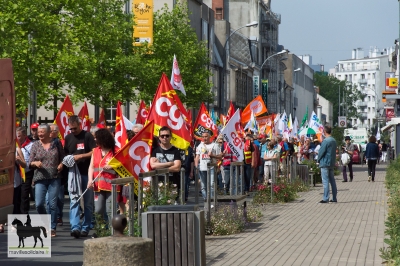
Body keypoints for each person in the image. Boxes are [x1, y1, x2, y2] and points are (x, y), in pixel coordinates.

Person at [64, 115, 96, 238]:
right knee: (74, 200)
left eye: (75, 128)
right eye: (71, 129)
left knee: (87, 203)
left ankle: (86, 227)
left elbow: (94, 151)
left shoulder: (87, 136)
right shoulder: (68, 138)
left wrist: (80, 156)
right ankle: (75, 227)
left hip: (86, 173)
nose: (73, 131)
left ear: (80, 124)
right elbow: (66, 153)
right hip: (73, 174)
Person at [29, 124, 64, 237]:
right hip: (40, 178)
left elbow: (63, 158)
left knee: (52, 204)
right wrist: (35, 163)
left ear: (49, 133)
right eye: (39, 132)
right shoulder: (35, 145)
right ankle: (45, 222)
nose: (39, 134)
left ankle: (52, 227)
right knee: (39, 204)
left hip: (54, 177)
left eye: (42, 132)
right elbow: (30, 162)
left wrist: (61, 164)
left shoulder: (56, 143)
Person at [88, 128, 119, 223]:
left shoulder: (116, 150)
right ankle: (100, 231)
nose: (94, 140)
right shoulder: (95, 151)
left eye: (96, 138)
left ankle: (112, 231)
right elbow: (91, 167)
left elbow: (123, 164)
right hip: (98, 185)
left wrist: (112, 166)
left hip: (112, 185)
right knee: (98, 210)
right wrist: (90, 180)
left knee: (111, 211)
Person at [150, 126, 182, 198]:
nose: (165, 137)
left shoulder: (175, 151)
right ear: (159, 137)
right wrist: (169, 164)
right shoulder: (155, 150)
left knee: (171, 206)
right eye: (162, 136)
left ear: (170, 137)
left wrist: (159, 166)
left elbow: (177, 168)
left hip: (172, 184)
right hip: (158, 184)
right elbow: (153, 166)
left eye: (167, 136)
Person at [194, 131, 222, 199]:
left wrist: (212, 155)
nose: (204, 138)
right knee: (203, 186)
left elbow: (220, 157)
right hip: (202, 168)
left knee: (211, 185)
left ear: (210, 137)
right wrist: (196, 167)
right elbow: (197, 157)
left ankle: (212, 201)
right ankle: (206, 200)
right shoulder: (200, 146)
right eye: (203, 137)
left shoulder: (215, 145)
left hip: (212, 167)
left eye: (206, 136)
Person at [317, 125, 337, 203]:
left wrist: (318, 159)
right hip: (331, 162)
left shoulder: (326, 141)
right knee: (332, 181)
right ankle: (334, 198)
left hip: (325, 162)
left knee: (325, 181)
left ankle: (326, 198)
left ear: (325, 132)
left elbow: (321, 151)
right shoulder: (334, 140)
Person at [16, 127, 35, 214]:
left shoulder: (30, 145)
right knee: (17, 195)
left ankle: (23, 215)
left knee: (24, 195)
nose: (17, 138)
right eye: (16, 136)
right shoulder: (15, 146)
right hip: (17, 174)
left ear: (24, 135)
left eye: (19, 136)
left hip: (27, 173)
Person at [13, 142, 27, 214]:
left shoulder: (17, 149)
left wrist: (19, 160)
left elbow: (24, 165)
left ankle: (14, 221)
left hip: (15, 181)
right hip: (5, 182)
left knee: (15, 202)